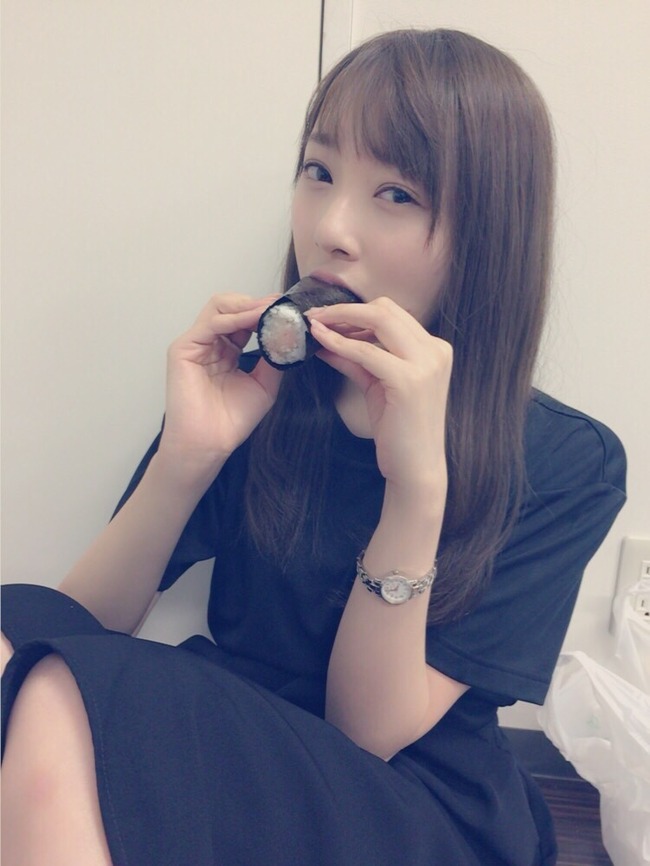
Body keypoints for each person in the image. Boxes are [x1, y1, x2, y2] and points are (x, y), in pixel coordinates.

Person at [1, 28, 626, 866]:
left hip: (410, 801)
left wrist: (415, 489)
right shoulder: (262, 386)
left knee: (63, 693)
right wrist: (189, 456)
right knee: (18, 639)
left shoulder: (564, 460)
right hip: (234, 737)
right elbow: (83, 623)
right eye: (319, 171)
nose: (331, 228)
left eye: (396, 193)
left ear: (486, 232)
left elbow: (368, 733)